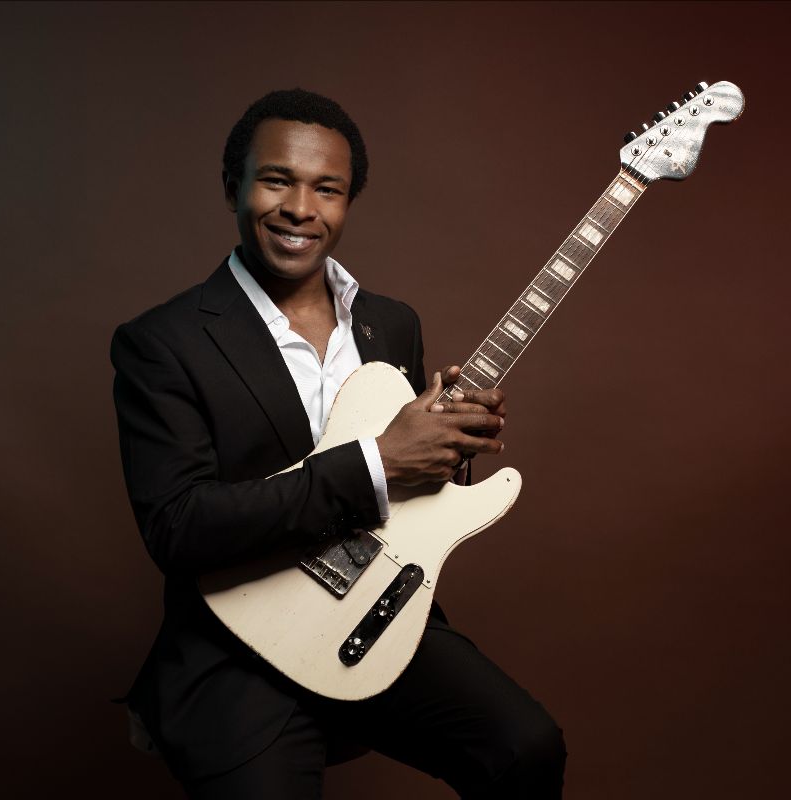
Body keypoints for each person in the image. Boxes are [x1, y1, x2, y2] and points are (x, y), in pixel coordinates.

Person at [110, 89, 566, 799]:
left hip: (373, 610)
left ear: (349, 202)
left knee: (527, 748)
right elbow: (179, 527)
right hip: (235, 649)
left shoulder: (391, 324)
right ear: (232, 187)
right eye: (276, 180)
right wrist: (379, 459)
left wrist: (450, 444)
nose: (301, 208)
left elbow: (408, 494)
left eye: (327, 189)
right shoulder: (163, 343)